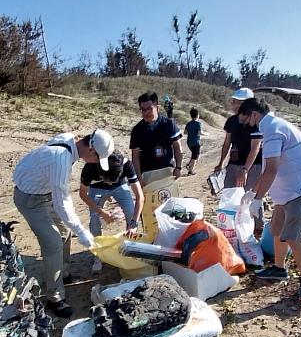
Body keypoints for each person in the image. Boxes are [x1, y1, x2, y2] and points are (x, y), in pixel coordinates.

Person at [13, 129, 113, 317]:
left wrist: (75, 229)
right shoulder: (60, 161)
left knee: (64, 232)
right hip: (29, 199)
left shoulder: (69, 141)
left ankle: (62, 272)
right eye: (97, 159)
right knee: (53, 243)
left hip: (44, 193)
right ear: (90, 149)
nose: (96, 163)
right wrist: (82, 231)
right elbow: (62, 204)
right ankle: (55, 297)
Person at [239, 98, 301, 301]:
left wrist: (259, 199)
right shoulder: (273, 127)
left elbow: (272, 169)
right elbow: (265, 171)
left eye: (247, 120)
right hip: (286, 193)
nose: (247, 126)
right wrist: (253, 192)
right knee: (277, 232)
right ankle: (279, 269)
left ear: (254, 114)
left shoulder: (273, 130)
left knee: (295, 239)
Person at [79, 152, 144, 274]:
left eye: (112, 181)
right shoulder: (90, 166)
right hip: (96, 188)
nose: (109, 184)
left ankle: (130, 249)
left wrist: (134, 223)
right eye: (107, 181)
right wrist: (101, 212)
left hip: (120, 186)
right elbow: (82, 194)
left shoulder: (126, 164)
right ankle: (97, 255)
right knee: (94, 219)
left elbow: (139, 196)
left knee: (131, 212)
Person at [213, 87, 263, 192]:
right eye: (234, 102)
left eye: (239, 103)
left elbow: (255, 148)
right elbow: (227, 143)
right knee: (229, 194)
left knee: (248, 198)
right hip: (234, 163)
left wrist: (245, 170)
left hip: (253, 166)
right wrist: (221, 162)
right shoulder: (231, 121)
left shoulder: (256, 122)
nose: (235, 106)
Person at [130, 92, 184, 183]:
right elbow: (135, 156)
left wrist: (178, 167)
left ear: (157, 108)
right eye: (143, 109)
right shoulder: (137, 130)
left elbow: (177, 147)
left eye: (149, 109)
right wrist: (139, 177)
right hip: (147, 173)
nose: (146, 112)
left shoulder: (169, 124)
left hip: (168, 171)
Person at [184, 108, 202, 175]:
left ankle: (189, 167)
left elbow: (185, 132)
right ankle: (190, 169)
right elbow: (199, 133)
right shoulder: (198, 124)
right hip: (196, 142)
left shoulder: (188, 123)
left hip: (189, 142)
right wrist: (206, 133)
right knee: (195, 157)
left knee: (194, 155)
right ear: (197, 115)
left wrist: (191, 133)